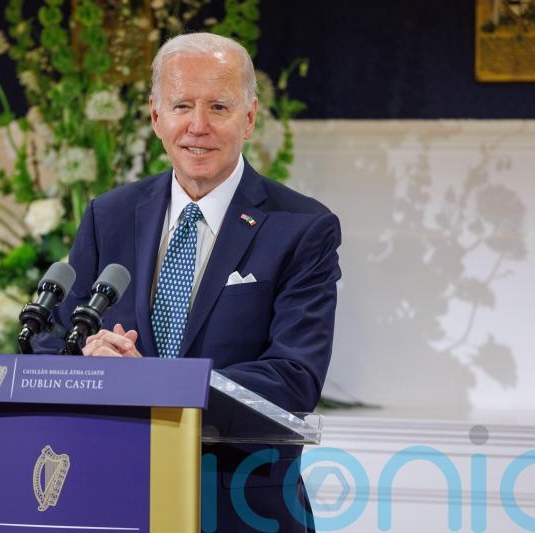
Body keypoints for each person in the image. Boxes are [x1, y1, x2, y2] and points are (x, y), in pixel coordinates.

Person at [35, 32, 341, 532]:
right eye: (182, 106)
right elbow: (55, 345)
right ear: (156, 116)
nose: (198, 127)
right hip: (112, 495)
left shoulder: (302, 228)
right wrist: (93, 364)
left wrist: (155, 382)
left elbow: (293, 378)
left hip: (242, 507)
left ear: (249, 117)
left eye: (218, 106)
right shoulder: (108, 216)